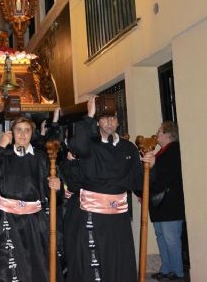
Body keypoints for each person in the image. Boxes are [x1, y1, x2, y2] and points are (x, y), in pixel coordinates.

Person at [65, 96, 155, 282]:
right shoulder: (90, 145)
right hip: (91, 213)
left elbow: (139, 184)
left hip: (118, 219)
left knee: (118, 261)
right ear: (98, 122)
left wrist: (150, 167)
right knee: (93, 263)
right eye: (104, 118)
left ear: (118, 122)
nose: (109, 122)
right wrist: (89, 114)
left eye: (113, 118)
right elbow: (77, 146)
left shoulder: (128, 148)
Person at [0, 115, 60, 282]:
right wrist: (1, 146)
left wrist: (56, 186)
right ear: (11, 132)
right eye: (19, 130)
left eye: (27, 130)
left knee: (36, 265)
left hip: (34, 222)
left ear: (32, 133)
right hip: (6, 219)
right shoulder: (4, 155)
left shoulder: (42, 158)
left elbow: (53, 194)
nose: (23, 135)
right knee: (6, 268)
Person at [149, 121, 186, 281]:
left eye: (159, 132)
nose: (156, 135)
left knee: (171, 239)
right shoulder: (161, 152)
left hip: (170, 204)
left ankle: (177, 272)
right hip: (159, 205)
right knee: (161, 237)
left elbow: (166, 175)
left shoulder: (174, 151)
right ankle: (166, 269)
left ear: (168, 134)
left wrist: (153, 165)